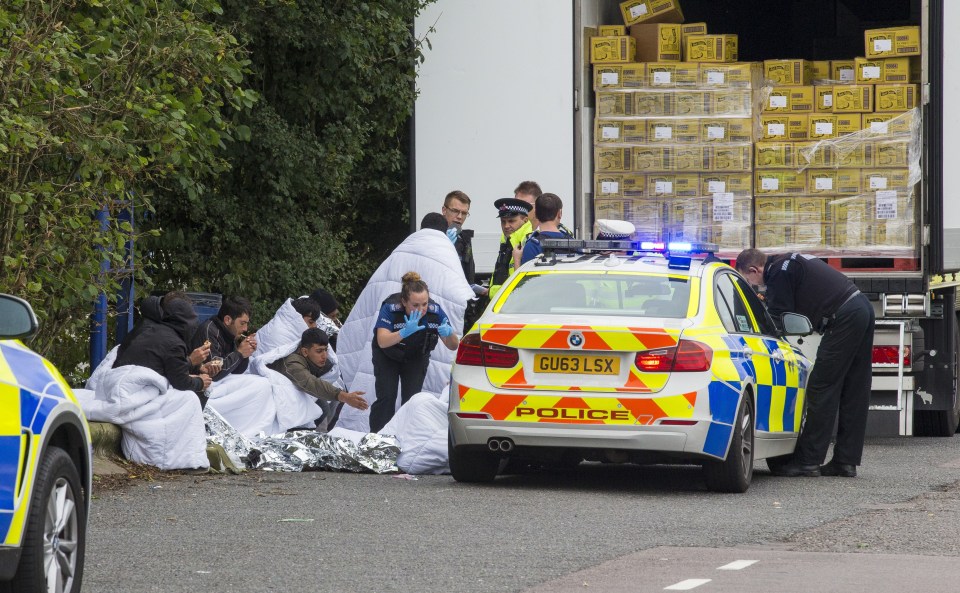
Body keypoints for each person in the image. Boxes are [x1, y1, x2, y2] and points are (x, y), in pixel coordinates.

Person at [736, 249, 875, 478]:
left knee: (821, 387)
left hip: (845, 316)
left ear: (754, 270)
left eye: (750, 280)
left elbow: (777, 317)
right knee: (853, 389)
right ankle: (845, 461)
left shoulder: (778, 273)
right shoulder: (785, 261)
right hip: (861, 307)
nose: (755, 286)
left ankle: (808, 461)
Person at [368, 272, 460, 432]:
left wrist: (449, 334)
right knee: (387, 398)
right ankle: (378, 438)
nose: (421, 309)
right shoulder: (391, 307)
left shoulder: (434, 311)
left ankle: (405, 437)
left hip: (416, 356)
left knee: (412, 400)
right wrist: (404, 332)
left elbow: (453, 345)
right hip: (388, 355)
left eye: (424, 304)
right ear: (404, 301)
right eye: (415, 305)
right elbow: (382, 341)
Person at [115, 292, 212, 402]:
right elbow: (180, 381)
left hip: (120, 382)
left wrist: (193, 366)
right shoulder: (173, 341)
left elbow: (160, 363)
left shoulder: (146, 324)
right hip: (132, 392)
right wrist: (200, 381)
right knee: (190, 399)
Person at [268, 328, 368, 412]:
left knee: (328, 404)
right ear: (305, 351)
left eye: (326, 350)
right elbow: (311, 383)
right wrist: (344, 396)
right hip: (274, 402)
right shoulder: (292, 363)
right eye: (319, 351)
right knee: (322, 407)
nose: (324, 356)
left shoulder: (314, 358)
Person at [189, 296, 258, 380]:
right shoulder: (209, 331)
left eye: (246, 323)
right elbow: (214, 371)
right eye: (242, 323)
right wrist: (239, 353)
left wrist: (245, 353)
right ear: (228, 320)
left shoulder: (230, 333)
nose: (245, 329)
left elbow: (237, 370)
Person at [488, 197, 532, 299]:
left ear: (525, 220)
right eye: (503, 221)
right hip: (500, 303)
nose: (506, 226)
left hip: (514, 304)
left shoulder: (528, 242)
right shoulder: (506, 240)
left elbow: (527, 285)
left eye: (511, 221)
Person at [521, 193, 571, 264]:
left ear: (535, 214)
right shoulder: (573, 243)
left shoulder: (532, 246)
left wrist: (516, 259)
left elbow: (526, 274)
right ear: (559, 213)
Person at [441, 190, 476, 285]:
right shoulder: (435, 236)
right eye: (455, 211)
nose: (460, 217)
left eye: (464, 213)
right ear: (444, 210)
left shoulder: (464, 238)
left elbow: (469, 273)